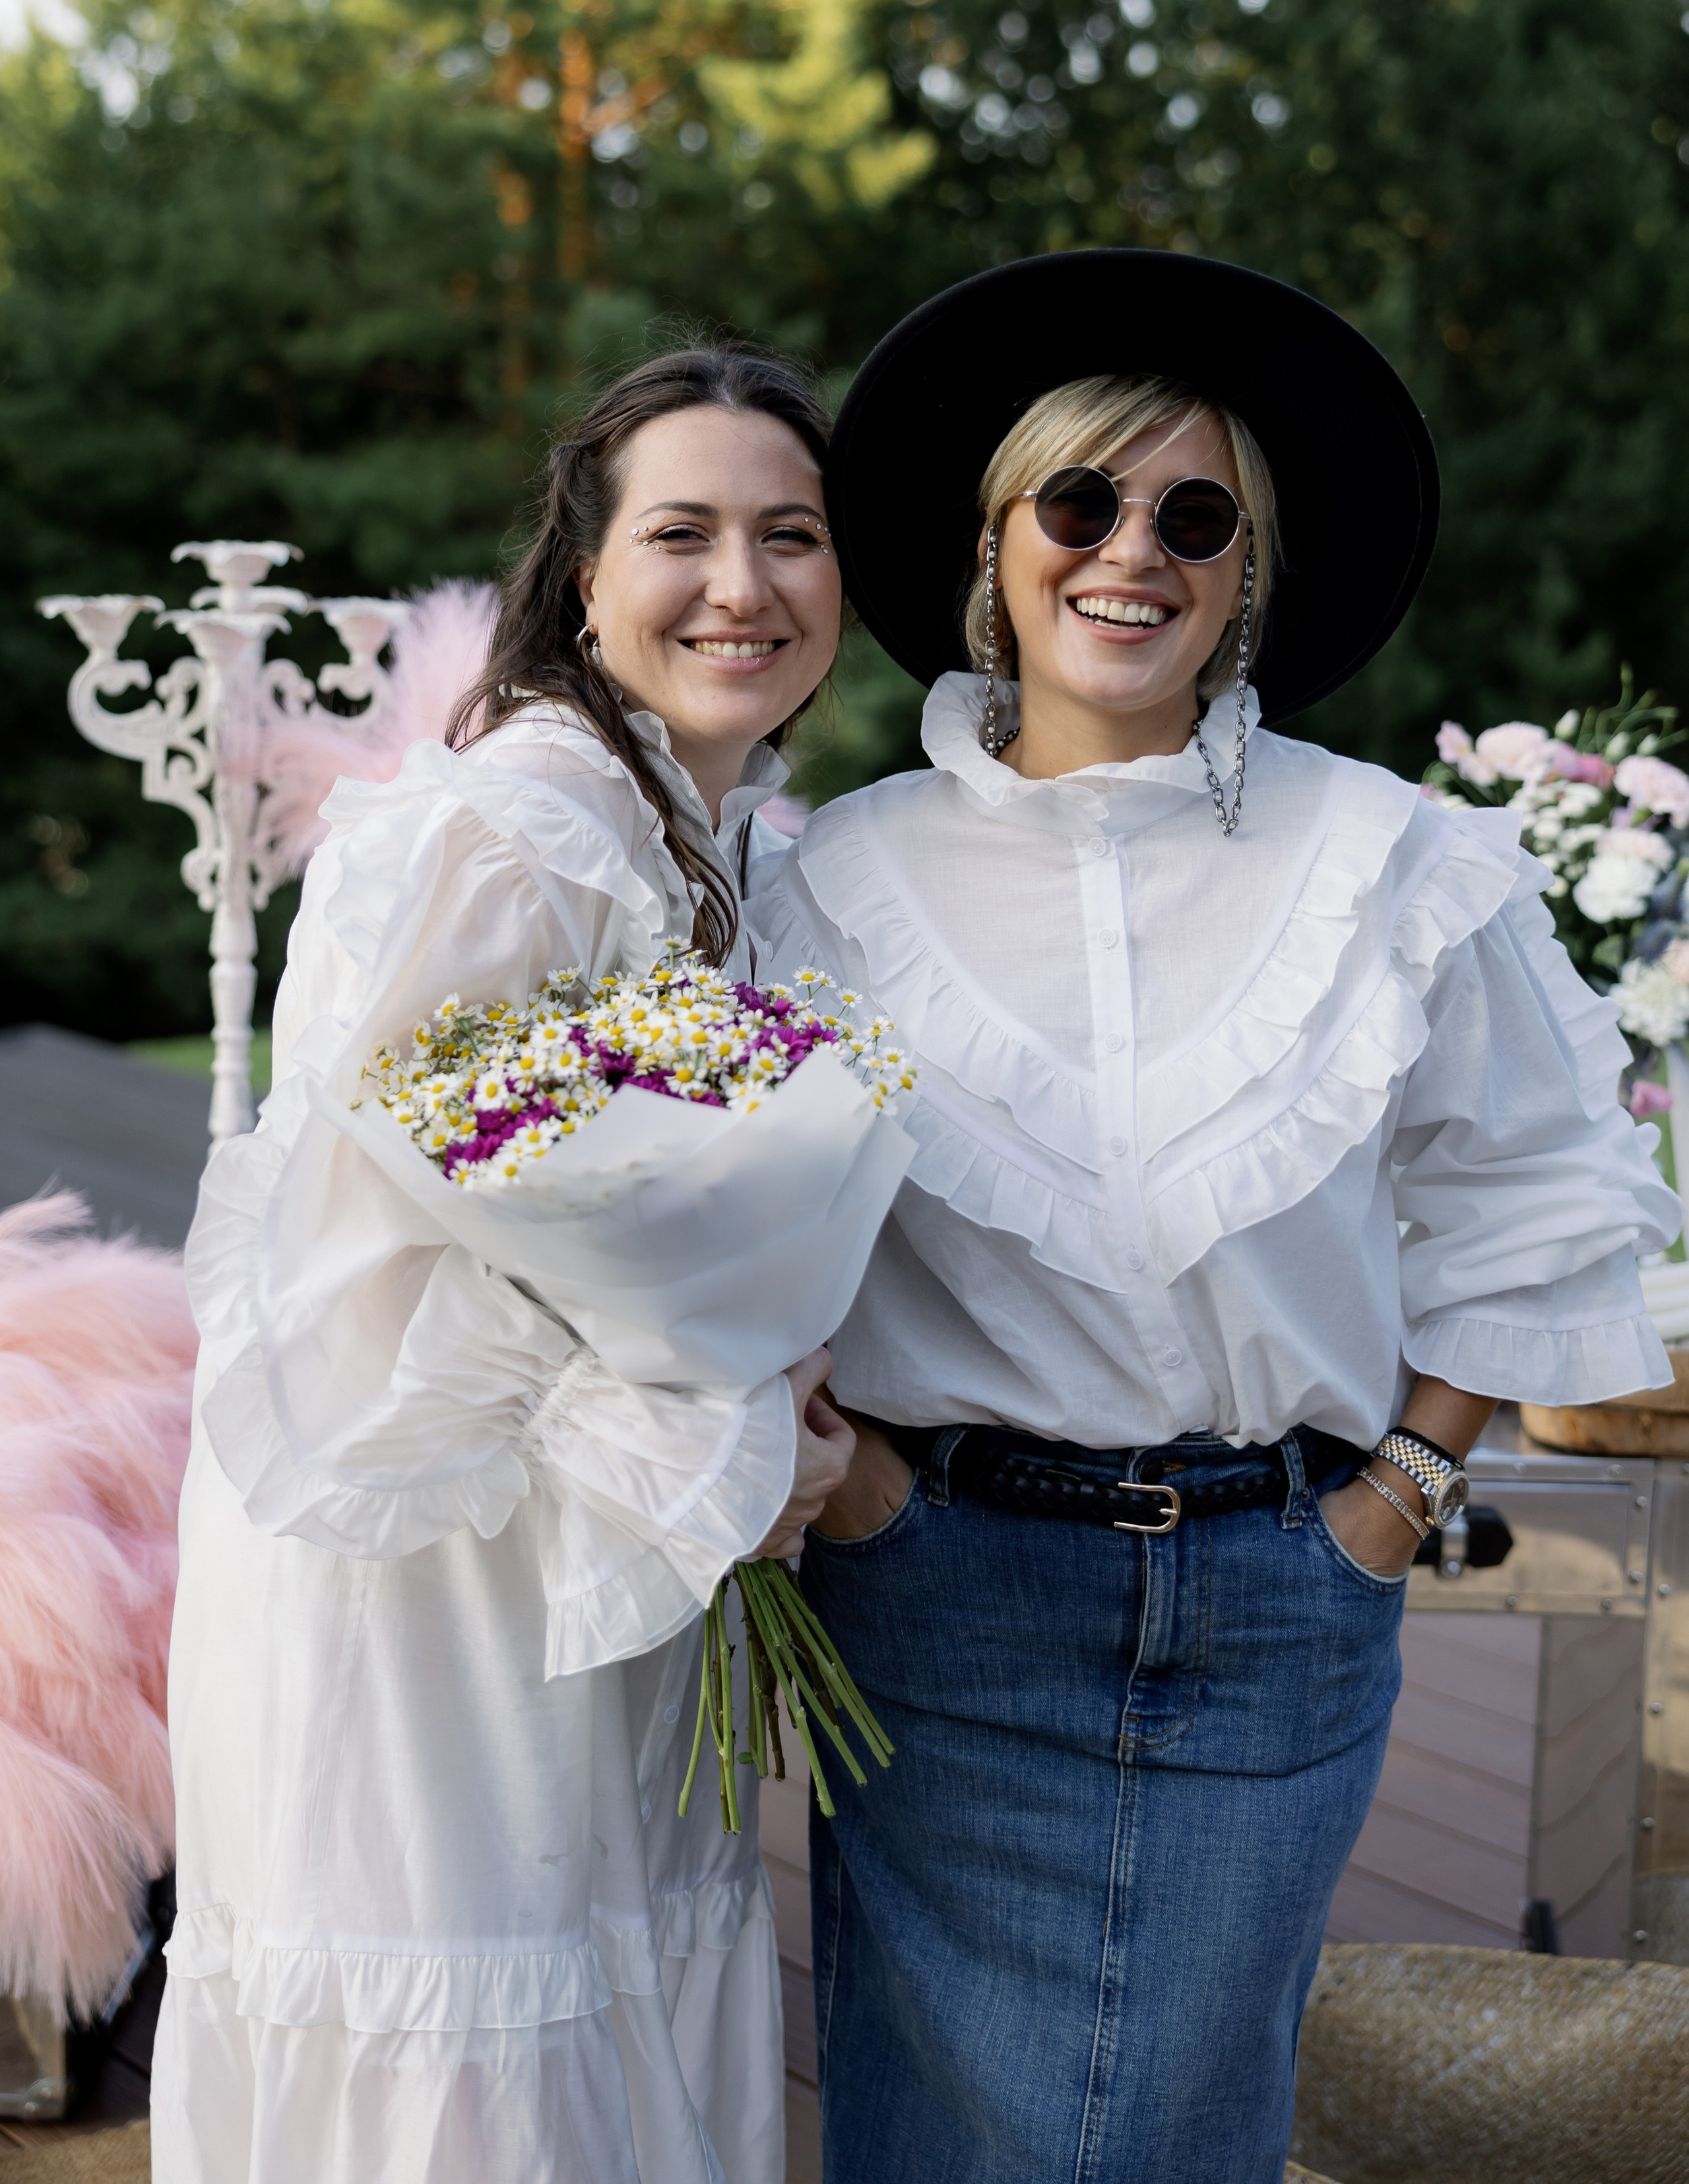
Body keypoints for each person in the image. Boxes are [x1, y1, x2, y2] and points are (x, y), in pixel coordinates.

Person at [751, 251, 1680, 2184]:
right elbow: (736, 1234)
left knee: (1183, 2125)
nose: (1134, 553)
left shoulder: (1402, 864)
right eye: (1078, 503)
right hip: (940, 1598)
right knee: (933, 2125)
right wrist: (860, 1500)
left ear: (1247, 571)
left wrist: (1394, 1502)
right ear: (997, 549)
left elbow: (1538, 1202)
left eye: (1197, 516)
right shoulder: (826, 882)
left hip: (1282, 1597)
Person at [152, 344, 856, 2184]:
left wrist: (757, 1363)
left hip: (562, 1540)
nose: (745, 585)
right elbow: (385, 1205)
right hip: (427, 1541)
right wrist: (720, 1439)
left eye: (793, 535)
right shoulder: (518, 818)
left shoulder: (699, 826)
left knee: (589, 1972)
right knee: (471, 2007)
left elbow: (610, 1186)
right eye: (684, 533)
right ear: (587, 571)